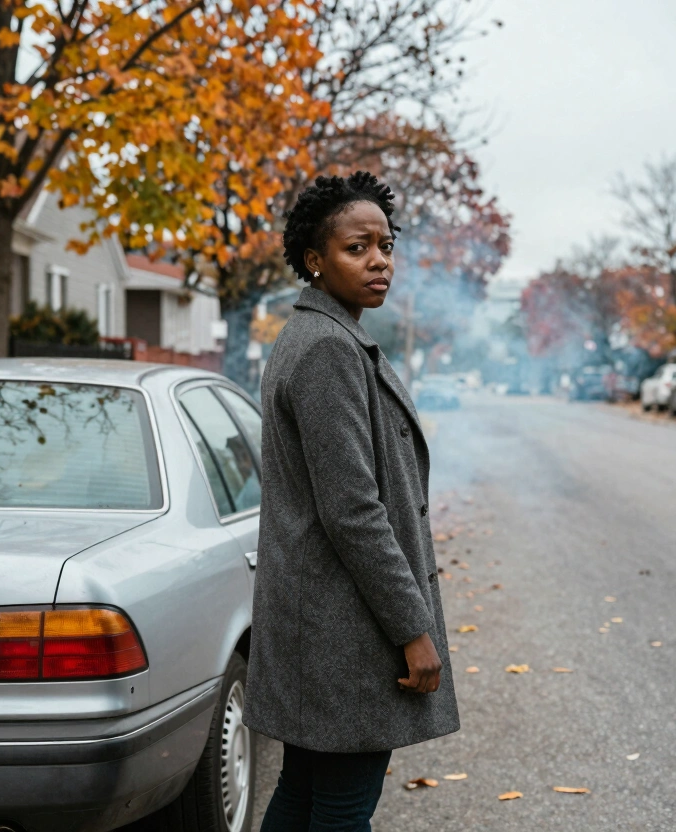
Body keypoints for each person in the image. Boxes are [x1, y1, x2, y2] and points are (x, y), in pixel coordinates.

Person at [242, 171, 460, 831]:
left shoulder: (319, 338)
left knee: (305, 793)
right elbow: (354, 512)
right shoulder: (328, 351)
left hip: (322, 623)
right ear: (315, 259)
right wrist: (413, 631)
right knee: (340, 810)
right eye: (357, 248)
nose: (379, 262)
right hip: (345, 630)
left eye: (386, 246)